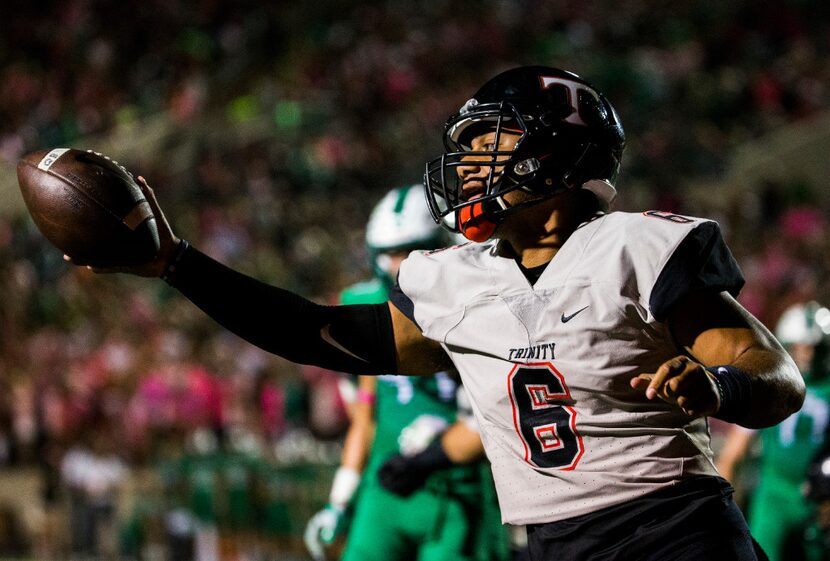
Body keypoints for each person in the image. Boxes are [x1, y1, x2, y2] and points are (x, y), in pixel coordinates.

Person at [84, 65, 805, 560]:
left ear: (555, 154)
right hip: (548, 543)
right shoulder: (454, 280)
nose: (469, 166)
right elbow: (315, 331)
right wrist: (177, 264)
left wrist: (720, 386)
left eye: (490, 143)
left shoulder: (637, 246)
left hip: (674, 531)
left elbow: (773, 371)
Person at [302, 185, 509, 561]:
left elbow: (495, 417)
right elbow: (364, 416)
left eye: (411, 251)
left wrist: (445, 436)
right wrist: (340, 499)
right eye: (389, 254)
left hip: (458, 488)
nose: (399, 266)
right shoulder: (363, 305)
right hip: (385, 489)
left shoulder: (484, 307)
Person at [717, 301, 830, 561]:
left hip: (819, 500)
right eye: (801, 346)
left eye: (814, 347)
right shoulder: (773, 382)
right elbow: (734, 452)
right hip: (774, 496)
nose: (808, 354)